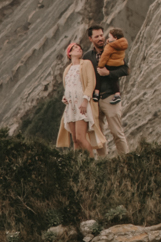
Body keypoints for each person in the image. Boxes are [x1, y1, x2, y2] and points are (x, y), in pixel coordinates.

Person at [88, 25, 131, 157]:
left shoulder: (114, 50)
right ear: (90, 39)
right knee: (99, 135)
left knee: (117, 132)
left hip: (110, 97)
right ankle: (103, 164)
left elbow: (125, 70)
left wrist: (109, 73)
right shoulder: (87, 57)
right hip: (94, 100)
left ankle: (127, 162)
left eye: (102, 35)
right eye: (97, 36)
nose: (101, 38)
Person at [55, 42, 102, 154]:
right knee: (75, 140)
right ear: (69, 53)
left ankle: (91, 163)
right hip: (71, 107)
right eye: (75, 48)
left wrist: (85, 100)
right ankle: (78, 164)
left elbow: (91, 82)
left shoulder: (86, 64)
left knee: (81, 137)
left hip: (81, 103)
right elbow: (68, 86)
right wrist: (65, 98)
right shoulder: (67, 69)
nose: (78, 49)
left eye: (80, 48)